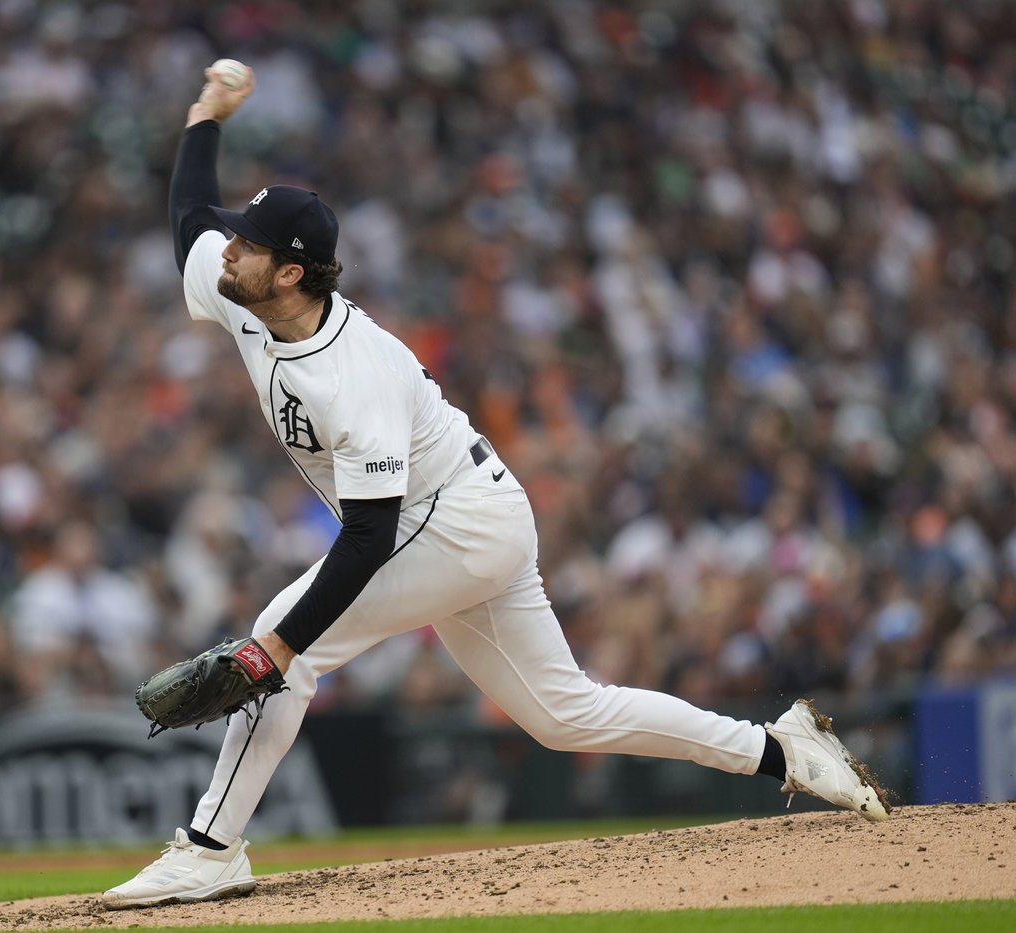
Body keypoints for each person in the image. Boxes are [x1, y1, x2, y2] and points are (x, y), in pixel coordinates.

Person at [102, 61, 890, 910]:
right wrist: (205, 116)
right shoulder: (245, 290)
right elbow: (189, 217)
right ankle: (782, 749)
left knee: (278, 645)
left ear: (292, 273)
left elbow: (367, 540)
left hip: (456, 520)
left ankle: (212, 847)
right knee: (565, 714)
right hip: (466, 511)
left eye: (252, 243)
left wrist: (277, 650)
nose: (232, 247)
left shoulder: (354, 374)